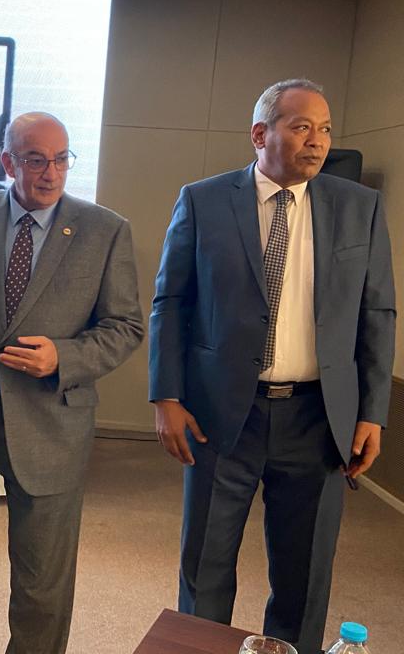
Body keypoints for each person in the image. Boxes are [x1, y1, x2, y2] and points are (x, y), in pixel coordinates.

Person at [149, 79, 395, 654]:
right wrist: (166, 396)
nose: (318, 141)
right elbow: (172, 301)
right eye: (302, 126)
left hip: (318, 418)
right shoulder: (203, 200)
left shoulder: (358, 207)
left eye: (325, 129)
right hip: (220, 417)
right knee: (205, 566)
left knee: (303, 576)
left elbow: (377, 312)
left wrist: (373, 412)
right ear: (260, 134)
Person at [0, 111, 144, 654]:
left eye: (61, 159)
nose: (51, 172)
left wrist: (64, 356)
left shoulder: (105, 230)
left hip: (50, 425)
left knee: (42, 581)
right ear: (8, 162)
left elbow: (126, 327)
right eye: (36, 160)